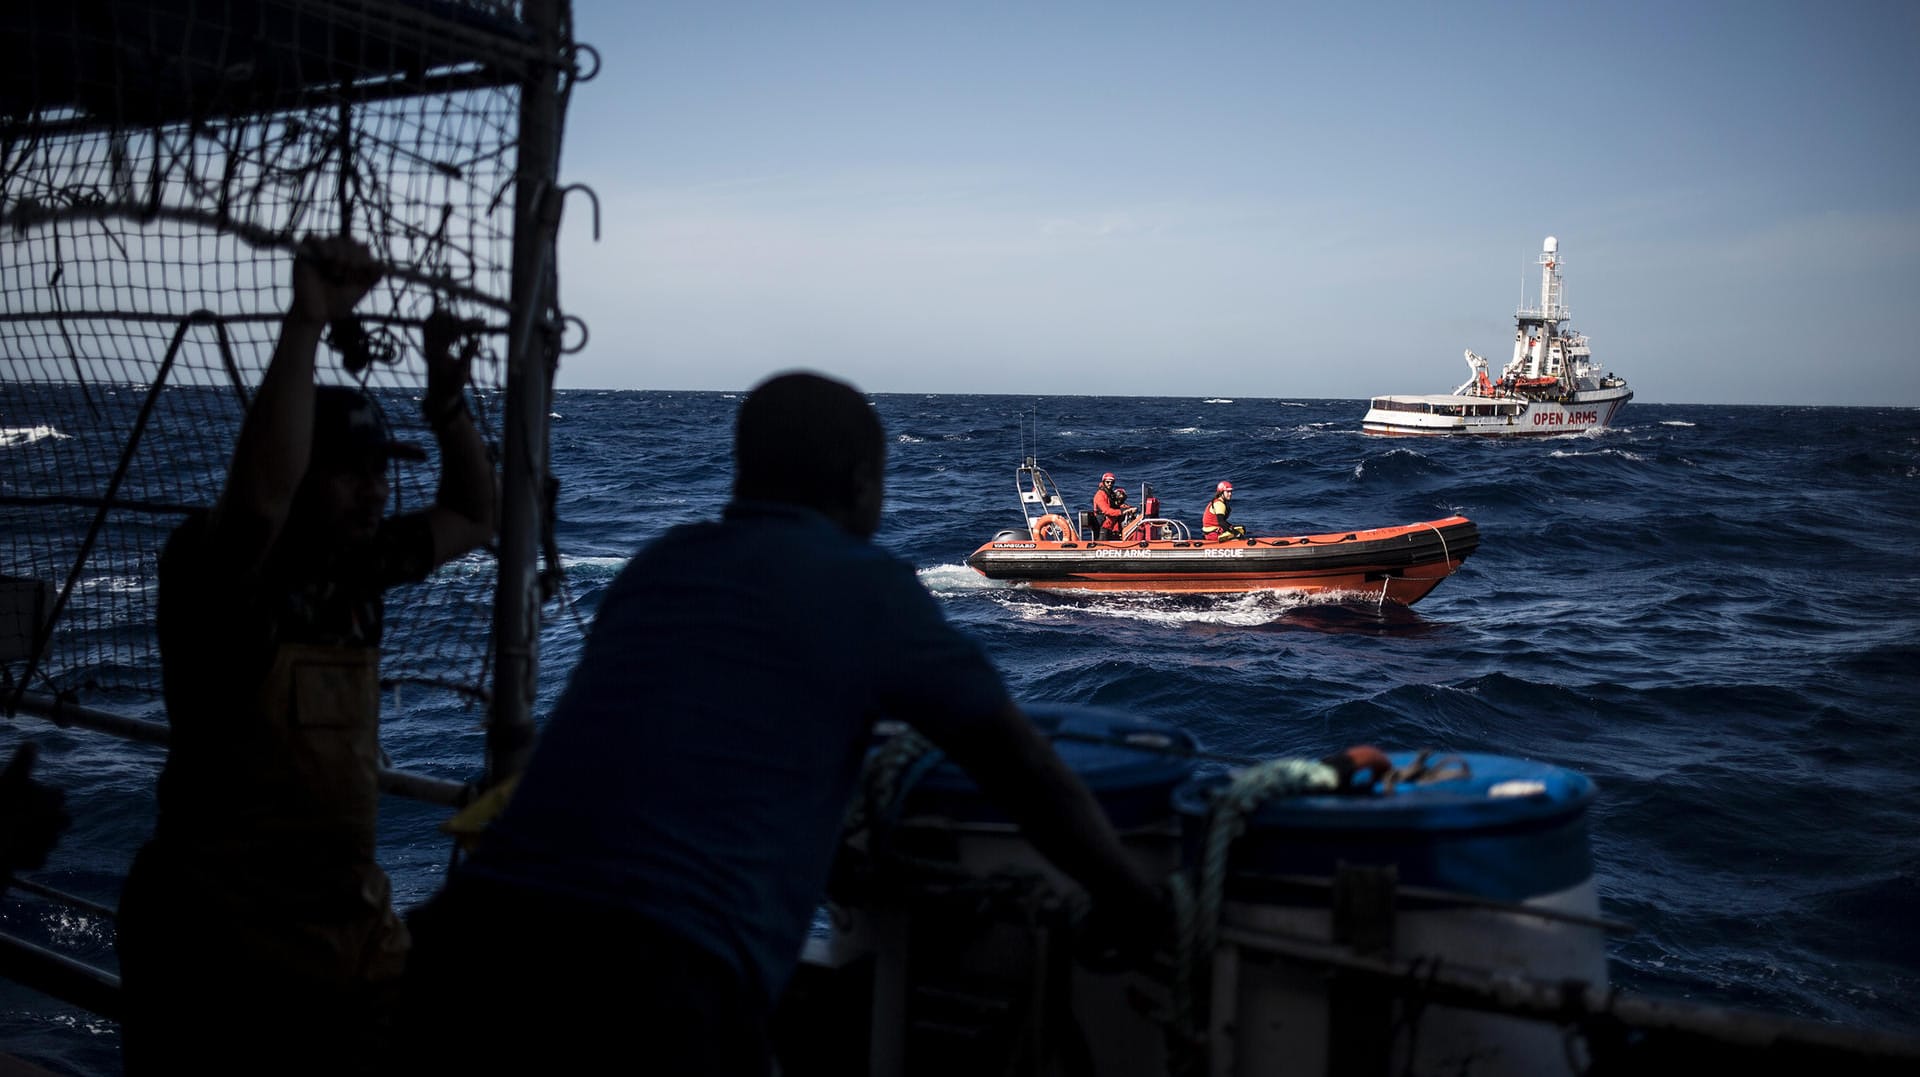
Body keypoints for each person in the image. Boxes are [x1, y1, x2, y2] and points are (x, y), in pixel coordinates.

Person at [397, 371, 1171, 1076]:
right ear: (863, 482)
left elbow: (691, 753)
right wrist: (1135, 901)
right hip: (655, 983)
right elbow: (1023, 770)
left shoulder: (657, 567)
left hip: (464, 945)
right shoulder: (866, 588)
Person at [115, 235, 496, 1075]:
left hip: (337, 937)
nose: (375, 491)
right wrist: (307, 322)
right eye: (348, 473)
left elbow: (476, 512)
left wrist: (445, 403)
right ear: (298, 469)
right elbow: (258, 503)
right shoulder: (218, 573)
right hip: (218, 949)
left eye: (380, 472)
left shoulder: (358, 568)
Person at [1092, 471, 1136, 539]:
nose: (1110, 484)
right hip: (1103, 525)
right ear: (1103, 482)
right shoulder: (1100, 495)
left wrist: (1128, 508)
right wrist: (1122, 511)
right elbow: (1106, 511)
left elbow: (1117, 505)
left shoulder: (1110, 494)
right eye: (1107, 482)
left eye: (1112, 482)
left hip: (1111, 524)